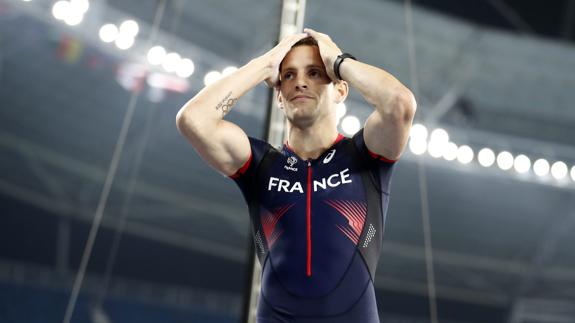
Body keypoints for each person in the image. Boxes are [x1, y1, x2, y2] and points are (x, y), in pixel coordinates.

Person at [176, 28, 416, 323]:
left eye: (315, 72)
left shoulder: (363, 156)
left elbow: (400, 104)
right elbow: (193, 120)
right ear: (279, 96)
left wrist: (339, 62)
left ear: (340, 90)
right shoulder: (260, 166)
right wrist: (265, 64)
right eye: (288, 75)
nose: (300, 82)